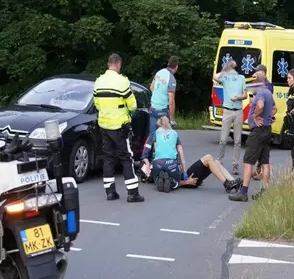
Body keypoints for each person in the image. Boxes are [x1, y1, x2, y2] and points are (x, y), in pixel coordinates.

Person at [92, 53, 144, 203]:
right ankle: (133, 193)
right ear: (118, 64)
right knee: (126, 157)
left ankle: (110, 192)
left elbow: (97, 104)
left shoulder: (98, 82)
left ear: (109, 64)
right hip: (120, 126)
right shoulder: (122, 82)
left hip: (103, 124)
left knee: (108, 157)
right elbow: (133, 105)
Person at [142, 117, 242, 193]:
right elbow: (181, 158)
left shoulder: (157, 158)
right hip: (188, 180)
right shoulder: (173, 135)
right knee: (208, 158)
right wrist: (186, 180)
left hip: (182, 177)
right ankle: (227, 183)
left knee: (215, 162)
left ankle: (232, 182)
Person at [230, 64, 275, 202]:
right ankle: (265, 191)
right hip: (267, 130)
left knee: (248, 161)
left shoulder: (261, 93)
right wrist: (269, 118)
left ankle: (243, 192)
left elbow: (260, 106)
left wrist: (255, 116)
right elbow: (274, 109)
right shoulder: (268, 91)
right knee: (264, 162)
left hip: (258, 132)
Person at [213, 59, 248, 175]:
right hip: (227, 110)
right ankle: (219, 162)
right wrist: (225, 68)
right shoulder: (225, 77)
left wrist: (238, 98)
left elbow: (245, 95)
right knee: (223, 139)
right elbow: (215, 77)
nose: (232, 71)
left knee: (237, 140)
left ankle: (235, 165)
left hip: (238, 111)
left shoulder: (241, 78)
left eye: (233, 68)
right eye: (231, 68)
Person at [148, 56, 179, 143]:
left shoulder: (159, 72)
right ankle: (165, 153)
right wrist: (172, 118)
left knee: (152, 134)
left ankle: (148, 154)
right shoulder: (171, 78)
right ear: (176, 66)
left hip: (153, 108)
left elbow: (151, 87)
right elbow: (171, 100)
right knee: (167, 134)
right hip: (163, 110)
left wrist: (158, 95)